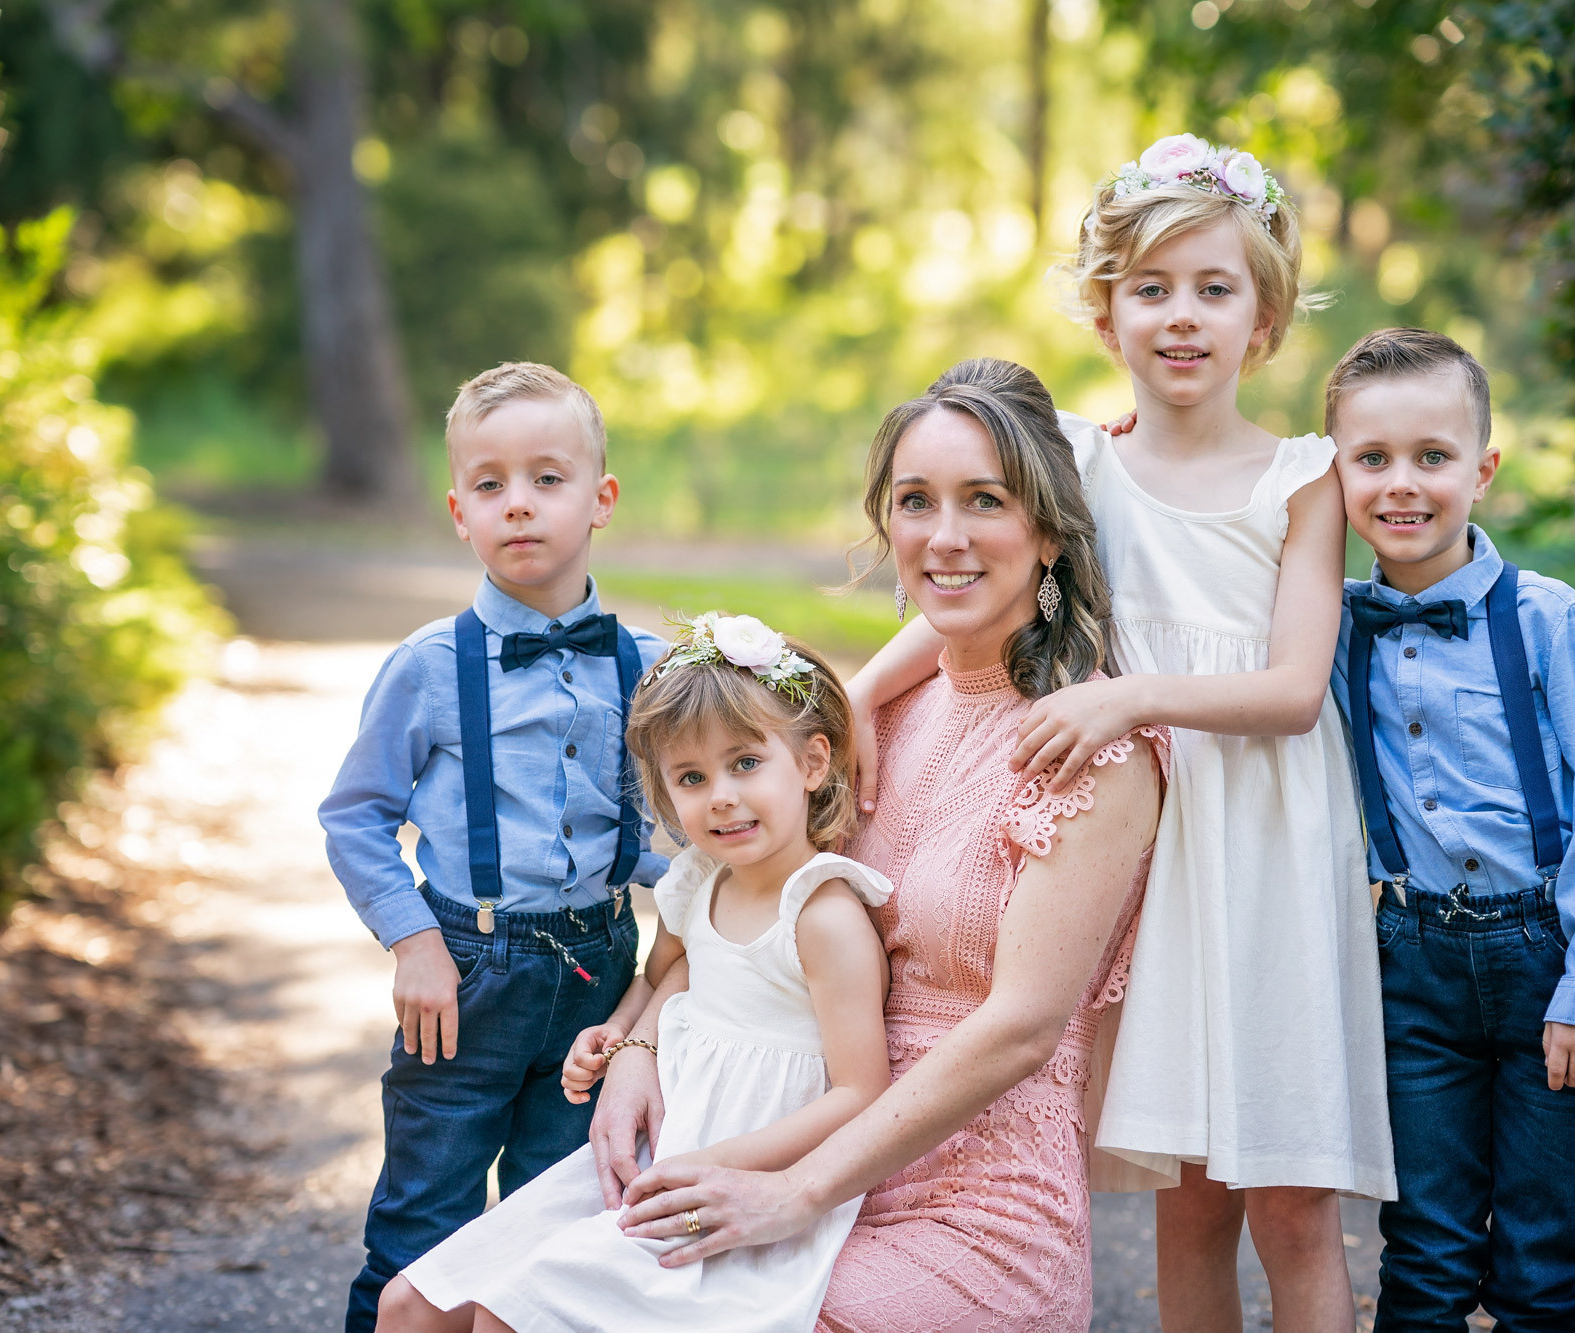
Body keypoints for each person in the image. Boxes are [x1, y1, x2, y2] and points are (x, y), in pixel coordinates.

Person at [847, 136, 1392, 1330]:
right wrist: (856, 694)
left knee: (1288, 1199)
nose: (1180, 317)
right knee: (1184, 1197)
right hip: (1123, 855)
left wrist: (1127, 695)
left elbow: (1296, 689)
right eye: (1149, 289)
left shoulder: (1301, 481)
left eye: (1213, 288)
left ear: (1265, 318)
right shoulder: (1082, 464)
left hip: (1257, 851)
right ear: (1106, 315)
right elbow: (971, 600)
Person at [590, 357, 1167, 1331]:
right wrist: (639, 1044)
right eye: (914, 501)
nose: (943, 536)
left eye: (983, 500)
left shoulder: (1093, 750)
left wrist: (798, 1191)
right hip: (784, 1142)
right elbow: (735, 903)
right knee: (472, 1303)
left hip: (973, 1210)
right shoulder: (867, 723)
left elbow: (1022, 1025)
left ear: (1045, 529)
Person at [374, 614, 895, 1333]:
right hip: (657, 1149)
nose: (720, 795)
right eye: (692, 776)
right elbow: (660, 980)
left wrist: (717, 1163)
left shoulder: (822, 913)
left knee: (507, 1314)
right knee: (408, 1304)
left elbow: (862, 1091)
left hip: (745, 1170)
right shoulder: (698, 881)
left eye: (746, 762)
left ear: (812, 762)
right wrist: (616, 1037)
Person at [318, 362, 671, 1333]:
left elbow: (639, 831)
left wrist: (716, 897)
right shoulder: (429, 666)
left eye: (546, 479)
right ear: (458, 512)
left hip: (598, 967)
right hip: (464, 972)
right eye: (489, 485)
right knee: (422, 1219)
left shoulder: (643, 665)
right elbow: (353, 815)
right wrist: (411, 941)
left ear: (599, 499)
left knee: (562, 1218)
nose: (518, 505)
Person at [1327, 327, 1575, 1330]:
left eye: (1431, 456)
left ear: (1482, 468)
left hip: (1545, 956)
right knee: (1421, 1257)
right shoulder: (1324, 627)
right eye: (1369, 458)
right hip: (1410, 962)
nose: (1400, 485)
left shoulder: (1547, 618)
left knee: (1539, 1270)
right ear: (1328, 473)